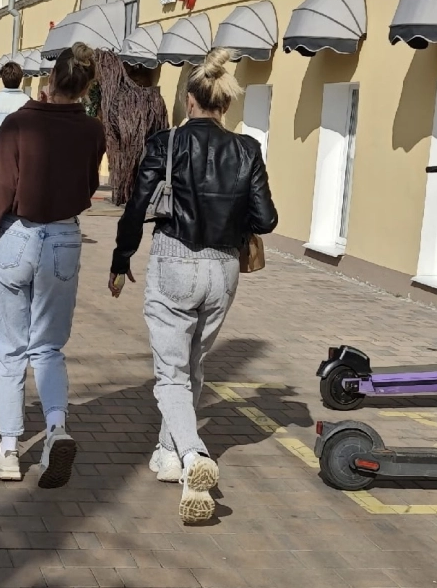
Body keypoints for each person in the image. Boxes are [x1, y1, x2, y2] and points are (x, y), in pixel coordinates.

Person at [108, 47, 278, 523]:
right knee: (193, 364)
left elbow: (136, 207)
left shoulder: (165, 144)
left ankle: (193, 456)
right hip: (223, 270)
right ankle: (167, 453)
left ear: (189, 99)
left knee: (170, 374)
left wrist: (121, 260)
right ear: (224, 104)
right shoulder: (247, 149)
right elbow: (266, 217)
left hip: (174, 262)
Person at [0, 43, 106, 489]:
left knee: (12, 350)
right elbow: (90, 185)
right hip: (64, 239)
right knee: (50, 348)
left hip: (17, 237)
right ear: (86, 86)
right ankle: (57, 430)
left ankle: (10, 448)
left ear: (48, 81)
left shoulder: (19, 124)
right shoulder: (94, 131)